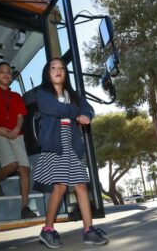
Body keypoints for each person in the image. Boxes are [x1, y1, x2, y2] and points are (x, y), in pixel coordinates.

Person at [33, 58, 109, 248]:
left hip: (72, 145)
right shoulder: (43, 93)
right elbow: (56, 109)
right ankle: (47, 230)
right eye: (53, 68)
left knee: (81, 185)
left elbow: (88, 108)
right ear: (47, 73)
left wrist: (87, 115)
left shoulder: (73, 95)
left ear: (65, 74)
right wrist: (76, 112)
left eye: (62, 68)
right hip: (55, 145)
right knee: (60, 186)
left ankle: (89, 230)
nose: (58, 70)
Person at [0, 62, 37, 219]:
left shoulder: (16, 96)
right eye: (2, 72)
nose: (6, 74)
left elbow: (20, 116)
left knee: (25, 169)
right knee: (12, 165)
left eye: (9, 72)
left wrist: (18, 129)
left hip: (17, 135)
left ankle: (24, 208)